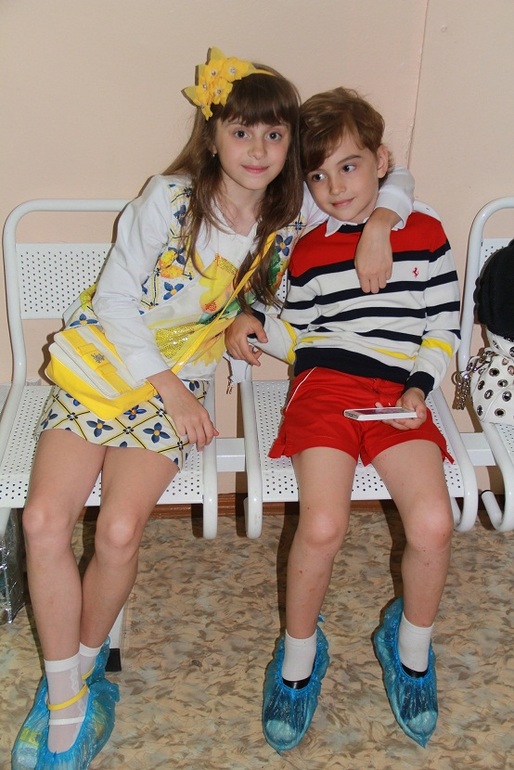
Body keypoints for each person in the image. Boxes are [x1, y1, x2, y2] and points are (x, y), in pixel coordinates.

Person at [11, 47, 413, 770]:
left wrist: (382, 220)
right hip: (105, 364)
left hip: (182, 381)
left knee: (120, 531)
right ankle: (63, 695)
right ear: (213, 135)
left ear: (289, 144)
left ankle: (83, 673)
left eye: (274, 134)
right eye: (240, 130)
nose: (257, 149)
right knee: (43, 521)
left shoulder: (288, 217)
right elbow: (115, 299)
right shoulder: (169, 197)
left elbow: (391, 172)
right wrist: (166, 385)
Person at [227, 87, 460, 751]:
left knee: (433, 522)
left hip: (398, 391)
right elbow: (298, 332)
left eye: (349, 167)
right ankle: (298, 659)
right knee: (322, 524)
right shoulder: (306, 247)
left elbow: (443, 325)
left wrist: (419, 388)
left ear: (382, 161)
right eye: (319, 177)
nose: (334, 189)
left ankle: (410, 649)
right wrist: (252, 329)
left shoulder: (425, 232)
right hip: (324, 385)